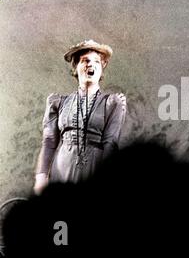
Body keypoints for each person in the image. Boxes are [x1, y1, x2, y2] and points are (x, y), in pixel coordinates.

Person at [33, 40, 126, 195]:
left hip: (95, 170)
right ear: (76, 67)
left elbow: (111, 142)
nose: (91, 64)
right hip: (62, 170)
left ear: (102, 68)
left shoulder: (113, 103)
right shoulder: (58, 102)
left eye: (97, 61)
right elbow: (49, 142)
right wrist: (41, 177)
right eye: (85, 61)